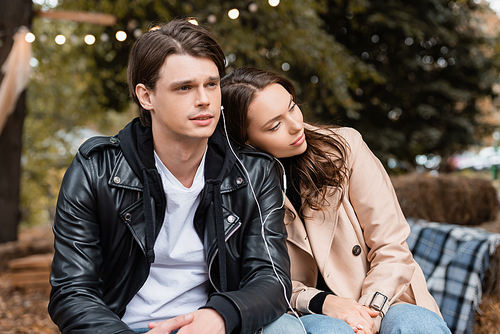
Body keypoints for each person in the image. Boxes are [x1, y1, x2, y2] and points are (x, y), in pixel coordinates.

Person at [48, 20, 304, 334]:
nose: (204, 100)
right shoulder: (96, 169)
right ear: (146, 96)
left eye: (211, 84)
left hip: (218, 325)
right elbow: (71, 291)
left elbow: (271, 279)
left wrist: (220, 316)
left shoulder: (252, 171)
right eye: (184, 88)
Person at [220, 67, 452, 334]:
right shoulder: (238, 187)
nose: (296, 125)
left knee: (419, 326)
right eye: (275, 125)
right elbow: (259, 279)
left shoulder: (345, 146)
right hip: (303, 309)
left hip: (382, 295)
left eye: (292, 108)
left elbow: (392, 246)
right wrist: (322, 301)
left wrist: (370, 312)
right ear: (245, 139)